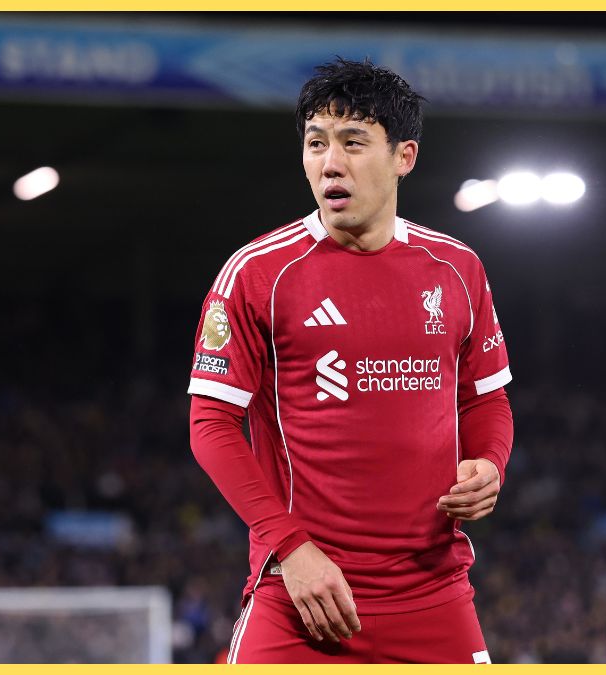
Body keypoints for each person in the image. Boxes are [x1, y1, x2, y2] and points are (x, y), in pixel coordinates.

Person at [187, 57, 514, 664]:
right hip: (303, 597)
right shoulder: (260, 274)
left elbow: (485, 398)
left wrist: (489, 463)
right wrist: (291, 549)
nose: (329, 162)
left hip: (433, 595)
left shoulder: (456, 270)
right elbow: (209, 425)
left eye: (353, 142)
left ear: (404, 157)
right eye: (316, 143)